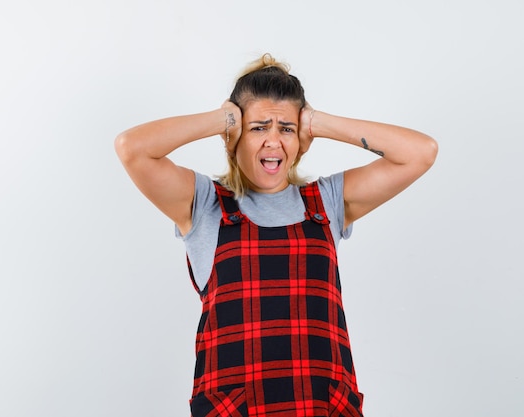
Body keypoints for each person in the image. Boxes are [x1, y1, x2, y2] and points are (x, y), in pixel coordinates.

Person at [114, 53, 438, 417]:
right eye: (258, 128)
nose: (273, 141)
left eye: (285, 129)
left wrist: (316, 122)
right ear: (233, 137)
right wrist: (224, 118)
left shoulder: (327, 202)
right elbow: (132, 148)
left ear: (300, 139)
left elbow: (421, 153)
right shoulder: (204, 205)